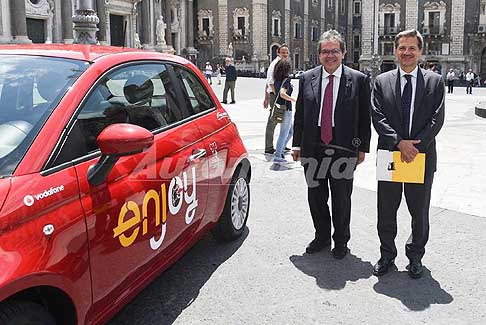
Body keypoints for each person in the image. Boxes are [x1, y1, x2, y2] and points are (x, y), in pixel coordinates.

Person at [370, 29, 445, 279]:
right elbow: (377, 116)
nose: (406, 53)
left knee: (419, 211)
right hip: (390, 156)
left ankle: (415, 256)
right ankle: (387, 255)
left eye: (412, 48)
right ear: (395, 51)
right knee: (386, 209)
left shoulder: (435, 82)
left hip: (421, 157)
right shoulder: (382, 81)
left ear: (420, 52)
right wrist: (399, 143)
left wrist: (414, 146)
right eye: (402, 48)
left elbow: (437, 119)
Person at [291, 30, 371, 259]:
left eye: (334, 50)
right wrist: (297, 145)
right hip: (313, 145)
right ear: (319, 55)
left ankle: (341, 241)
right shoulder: (307, 78)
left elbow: (365, 117)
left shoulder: (359, 80)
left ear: (343, 53)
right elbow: (300, 115)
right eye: (325, 51)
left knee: (341, 197)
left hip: (344, 146)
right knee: (315, 196)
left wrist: (361, 147)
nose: (330, 55)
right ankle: (322, 236)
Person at [263, 44, 290, 154]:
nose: (285, 54)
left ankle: (282, 143)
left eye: (287, 52)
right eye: (283, 52)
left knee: (283, 120)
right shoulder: (275, 64)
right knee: (273, 120)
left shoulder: (282, 63)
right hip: (277, 96)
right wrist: (278, 96)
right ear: (278, 53)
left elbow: (267, 83)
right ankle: (269, 147)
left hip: (278, 95)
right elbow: (270, 82)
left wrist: (265, 97)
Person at [271, 58, 296, 164]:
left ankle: (280, 150)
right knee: (284, 133)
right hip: (286, 109)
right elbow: (282, 93)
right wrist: (293, 99)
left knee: (291, 132)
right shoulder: (286, 80)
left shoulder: (276, 80)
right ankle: (278, 155)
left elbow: (272, 88)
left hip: (281, 107)